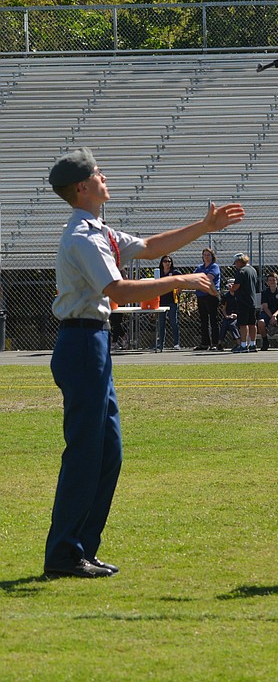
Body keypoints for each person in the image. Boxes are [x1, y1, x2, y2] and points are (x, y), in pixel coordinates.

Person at [45, 146, 243, 578]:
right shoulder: (82, 236)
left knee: (108, 452)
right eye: (98, 173)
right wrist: (181, 280)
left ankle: (81, 548)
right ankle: (63, 554)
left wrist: (204, 226)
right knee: (85, 453)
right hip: (81, 344)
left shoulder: (97, 229)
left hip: (92, 343)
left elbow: (151, 247)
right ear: (82, 187)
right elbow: (116, 291)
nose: (104, 176)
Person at [231, 252, 260, 353]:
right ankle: (253, 344)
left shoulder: (241, 271)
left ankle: (243, 345)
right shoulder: (253, 270)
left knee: (243, 324)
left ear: (239, 261)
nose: (235, 265)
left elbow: (236, 286)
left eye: (235, 263)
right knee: (252, 324)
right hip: (252, 300)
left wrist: (231, 288)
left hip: (242, 301)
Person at [193, 247, 220, 350]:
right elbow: (193, 278)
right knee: (203, 321)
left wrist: (198, 279)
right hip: (201, 296)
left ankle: (215, 343)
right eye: (204, 255)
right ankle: (205, 343)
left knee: (213, 320)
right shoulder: (200, 267)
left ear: (212, 256)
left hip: (211, 296)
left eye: (208, 255)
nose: (206, 257)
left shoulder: (214, 267)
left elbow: (207, 279)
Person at [257, 272, 278, 351]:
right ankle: (265, 342)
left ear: (277, 280)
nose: (272, 282)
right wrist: (271, 317)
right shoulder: (264, 293)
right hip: (267, 312)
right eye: (270, 280)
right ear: (267, 282)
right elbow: (265, 307)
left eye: (273, 280)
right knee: (260, 322)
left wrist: (274, 316)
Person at [157, 254, 181, 351]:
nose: (167, 263)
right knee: (161, 323)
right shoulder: (159, 273)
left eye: (169, 261)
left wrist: (179, 289)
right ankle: (160, 344)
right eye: (165, 261)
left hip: (172, 300)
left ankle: (176, 343)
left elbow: (183, 281)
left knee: (173, 322)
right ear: (162, 263)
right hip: (161, 301)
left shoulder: (175, 272)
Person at [215, 279, 239, 351]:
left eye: (231, 285)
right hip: (229, 316)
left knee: (232, 324)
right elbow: (224, 308)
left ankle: (239, 343)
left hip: (238, 316)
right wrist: (226, 315)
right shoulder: (226, 296)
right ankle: (220, 344)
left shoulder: (239, 295)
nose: (230, 287)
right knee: (225, 323)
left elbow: (242, 308)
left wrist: (236, 315)